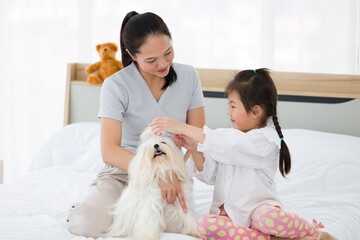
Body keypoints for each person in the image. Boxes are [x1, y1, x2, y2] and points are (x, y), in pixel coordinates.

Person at [150, 69, 337, 240]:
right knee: (204, 226)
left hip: (258, 211)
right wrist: (193, 148)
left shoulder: (265, 140)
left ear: (256, 111)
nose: (228, 112)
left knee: (267, 218)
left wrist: (181, 126)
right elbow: (210, 175)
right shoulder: (226, 138)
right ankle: (270, 239)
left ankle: (317, 235)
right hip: (228, 215)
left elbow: (229, 145)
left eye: (233, 106)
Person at [66, 11, 205, 238]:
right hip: (124, 172)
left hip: (170, 172)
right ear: (132, 54)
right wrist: (153, 174)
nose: (163, 63)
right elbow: (109, 151)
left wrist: (174, 174)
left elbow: (196, 138)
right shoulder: (115, 85)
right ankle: (93, 207)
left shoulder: (189, 76)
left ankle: (132, 215)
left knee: (180, 227)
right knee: (86, 223)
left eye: (167, 52)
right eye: (151, 60)